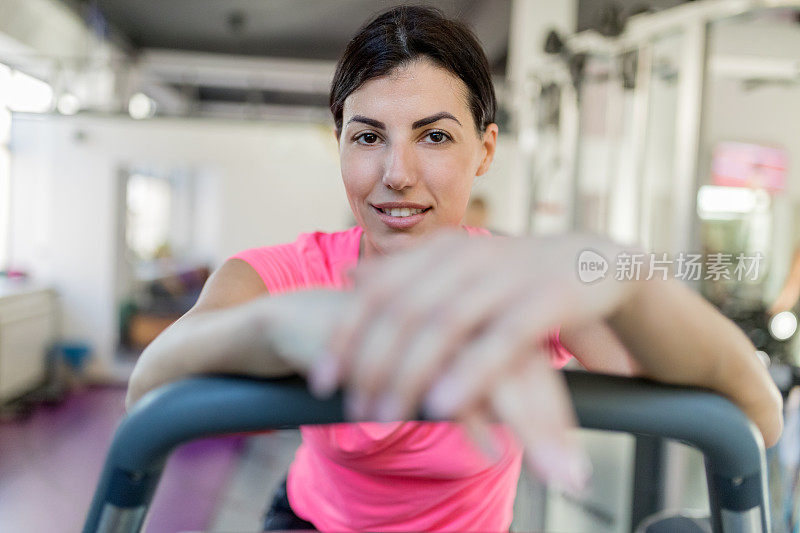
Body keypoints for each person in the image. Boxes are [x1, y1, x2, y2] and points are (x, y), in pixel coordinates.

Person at [125, 6, 783, 532]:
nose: (397, 174)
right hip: (311, 521)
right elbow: (146, 394)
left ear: (484, 149)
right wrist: (275, 326)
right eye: (367, 135)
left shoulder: (517, 286)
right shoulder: (286, 273)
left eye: (434, 136)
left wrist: (627, 279)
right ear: (341, 145)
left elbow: (760, 410)